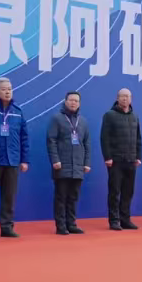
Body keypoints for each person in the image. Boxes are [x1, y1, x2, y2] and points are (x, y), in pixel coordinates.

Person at [46, 91, 91, 235]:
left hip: (78, 166)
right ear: (65, 101)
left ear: (79, 103)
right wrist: (55, 160)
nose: (73, 103)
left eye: (76, 101)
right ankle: (61, 226)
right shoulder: (57, 119)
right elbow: (51, 140)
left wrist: (86, 163)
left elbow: (87, 144)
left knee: (73, 197)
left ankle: (71, 224)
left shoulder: (83, 121)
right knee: (61, 197)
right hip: (62, 165)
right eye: (71, 100)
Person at [0, 77, 29, 238]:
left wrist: (24, 159)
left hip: (12, 159)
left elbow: (24, 137)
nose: (7, 92)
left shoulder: (17, 111)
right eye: (4, 89)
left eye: (9, 89)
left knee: (9, 196)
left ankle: (7, 227)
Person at [101, 89, 142, 230]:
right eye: (122, 96)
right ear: (117, 98)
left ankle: (125, 219)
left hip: (131, 160)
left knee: (128, 192)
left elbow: (138, 138)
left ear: (131, 99)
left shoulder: (134, 116)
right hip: (116, 160)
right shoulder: (109, 115)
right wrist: (107, 157)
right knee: (115, 192)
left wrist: (138, 156)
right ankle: (114, 220)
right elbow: (104, 138)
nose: (125, 99)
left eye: (128, 96)